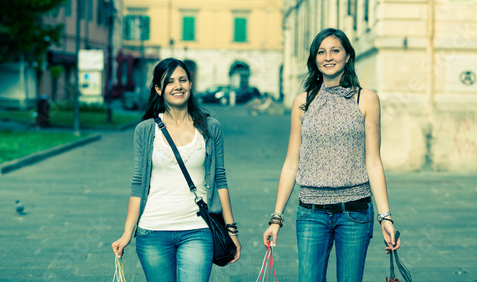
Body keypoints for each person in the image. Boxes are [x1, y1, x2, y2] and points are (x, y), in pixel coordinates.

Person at [262, 28, 400, 282]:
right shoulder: (302, 102)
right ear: (314, 59)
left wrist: (385, 217)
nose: (328, 57)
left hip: (355, 212)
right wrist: (276, 218)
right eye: (321, 52)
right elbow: (292, 162)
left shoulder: (366, 99)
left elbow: (373, 162)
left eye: (335, 50)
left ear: (348, 56)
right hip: (311, 213)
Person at [112, 58, 241, 282]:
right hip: (152, 231)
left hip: (198, 230)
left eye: (183, 80)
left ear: (191, 84)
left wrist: (231, 230)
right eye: (169, 82)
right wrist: (126, 234)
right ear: (158, 89)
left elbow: (220, 180)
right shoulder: (145, 130)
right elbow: (138, 183)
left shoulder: (211, 127)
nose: (178, 86)